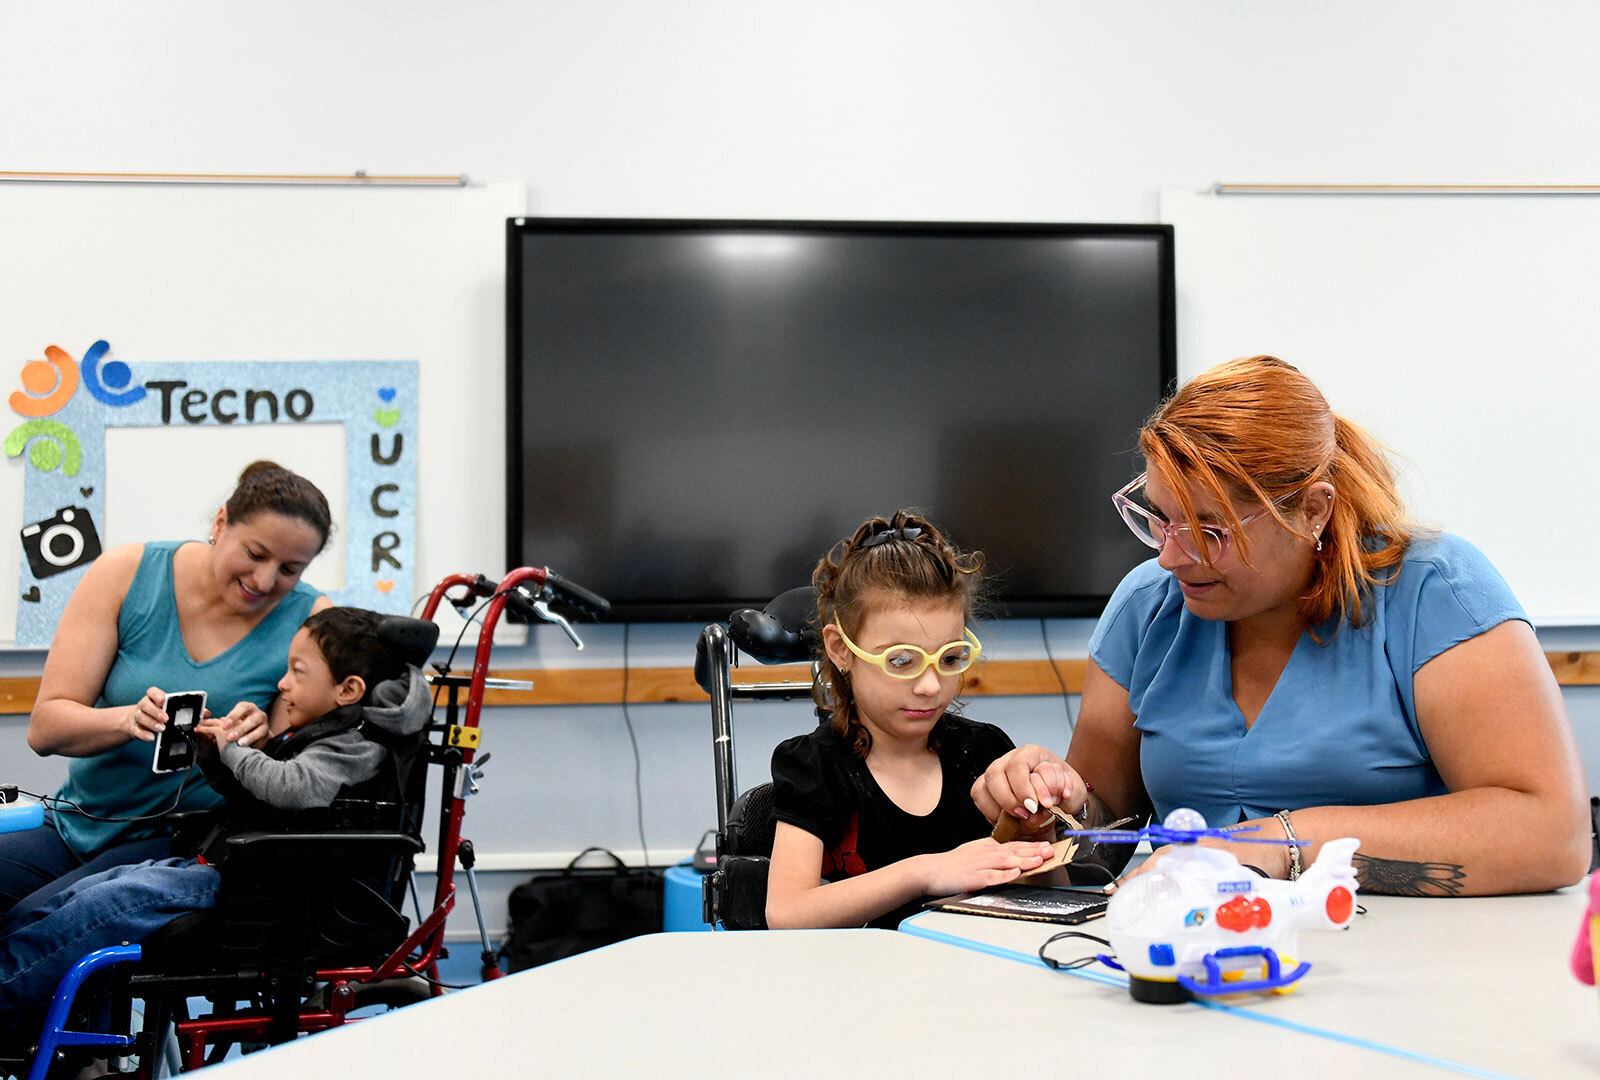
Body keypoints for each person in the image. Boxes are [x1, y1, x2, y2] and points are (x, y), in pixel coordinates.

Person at [973, 355, 1590, 897]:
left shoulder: (1435, 592)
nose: (1169, 556)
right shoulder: (1148, 607)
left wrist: (1280, 844)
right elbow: (1101, 846)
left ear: (1313, 511)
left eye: (1210, 531)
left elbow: (1550, 837)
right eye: (1160, 519)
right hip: (1203, 964)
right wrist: (1055, 813)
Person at [0, 606, 432, 1012]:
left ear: (348, 689)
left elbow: (292, 788)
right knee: (90, 890)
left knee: (113, 902)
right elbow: (262, 795)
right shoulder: (332, 731)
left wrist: (234, 751)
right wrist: (213, 755)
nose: (283, 684)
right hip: (240, 869)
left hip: (272, 885)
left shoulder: (356, 744)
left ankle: (7, 982)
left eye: (297, 673)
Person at [2, 461, 335, 921]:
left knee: (43, 922)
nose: (264, 581)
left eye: (289, 569)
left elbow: (297, 770)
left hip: (186, 841)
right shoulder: (125, 573)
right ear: (220, 523)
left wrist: (261, 739)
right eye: (255, 554)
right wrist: (125, 720)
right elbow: (45, 730)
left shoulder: (313, 620)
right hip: (80, 823)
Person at [764, 511, 1055, 929]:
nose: (930, 686)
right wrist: (924, 873)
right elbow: (786, 913)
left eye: (950, 658)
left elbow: (1046, 898)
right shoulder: (814, 766)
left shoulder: (986, 754)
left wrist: (1038, 834)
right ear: (841, 650)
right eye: (901, 661)